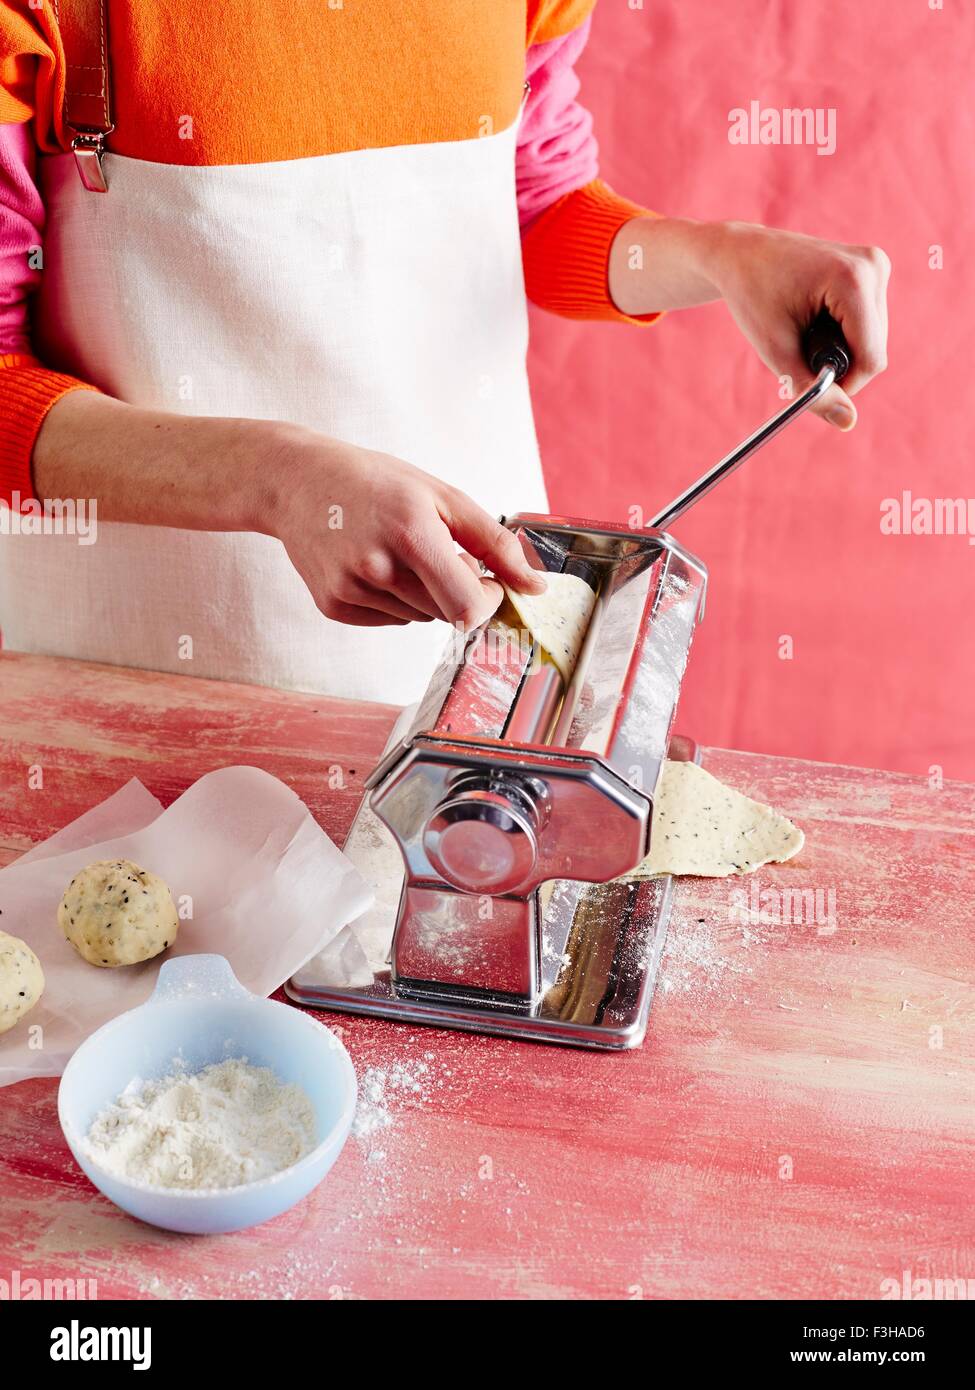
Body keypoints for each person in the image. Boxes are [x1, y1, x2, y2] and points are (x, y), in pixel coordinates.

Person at [0, 1, 889, 703]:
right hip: (152, 689)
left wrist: (721, 255)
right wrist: (275, 479)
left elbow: (532, 201)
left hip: (473, 670)